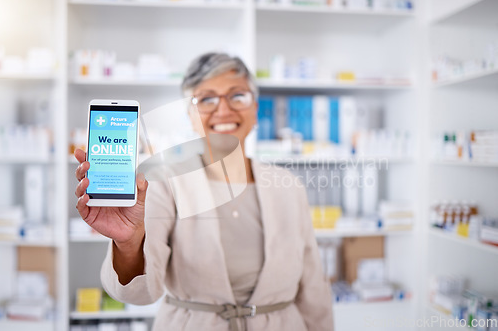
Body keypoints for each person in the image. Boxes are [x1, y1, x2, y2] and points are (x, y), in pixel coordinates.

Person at [74, 52, 333, 331]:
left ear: (256, 108)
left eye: (237, 96)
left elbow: (313, 289)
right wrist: (128, 244)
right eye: (206, 99)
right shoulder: (164, 181)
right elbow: (140, 292)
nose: (223, 110)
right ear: (190, 115)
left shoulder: (288, 186)